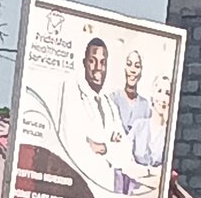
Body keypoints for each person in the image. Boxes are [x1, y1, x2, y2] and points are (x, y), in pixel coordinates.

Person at [59, 37, 128, 188]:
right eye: (93, 61)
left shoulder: (109, 104)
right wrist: (111, 145)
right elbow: (74, 144)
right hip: (78, 188)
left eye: (102, 62)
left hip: (108, 188)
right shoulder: (72, 95)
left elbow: (125, 151)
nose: (98, 67)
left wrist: (103, 147)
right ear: (85, 63)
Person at [128, 75, 171, 174]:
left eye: (167, 94)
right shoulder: (138, 126)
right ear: (152, 95)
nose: (163, 98)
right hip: (134, 184)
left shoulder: (169, 133)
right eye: (159, 91)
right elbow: (125, 156)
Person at [111, 50, 151, 133]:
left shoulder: (145, 106)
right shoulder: (113, 99)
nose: (133, 70)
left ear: (141, 71)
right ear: (125, 68)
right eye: (129, 64)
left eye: (137, 66)